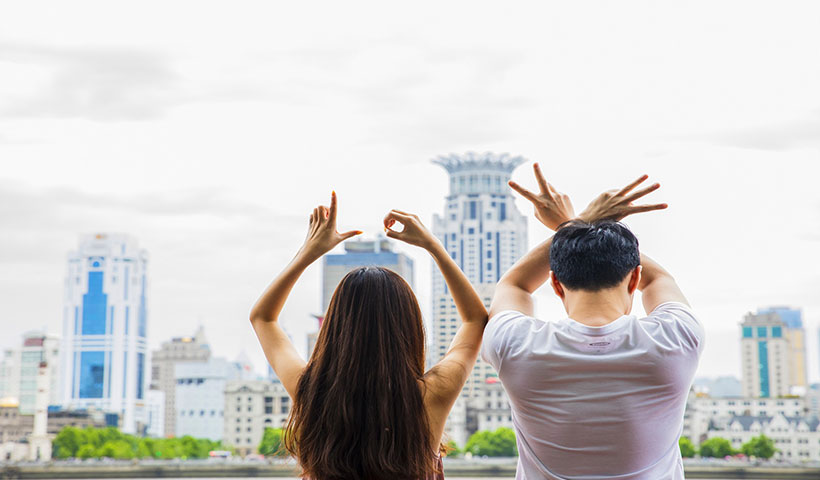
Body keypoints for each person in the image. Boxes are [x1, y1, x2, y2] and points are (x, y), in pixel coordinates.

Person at [484, 164, 704, 479]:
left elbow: (513, 285)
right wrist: (574, 224)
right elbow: (661, 280)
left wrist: (577, 223)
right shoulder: (678, 338)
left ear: (555, 283)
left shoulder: (514, 344)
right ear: (635, 279)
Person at [249, 191, 488, 480]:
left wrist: (308, 253)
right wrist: (432, 246)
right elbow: (475, 320)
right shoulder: (430, 394)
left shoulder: (310, 391)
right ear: (408, 328)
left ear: (336, 328)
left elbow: (263, 318)